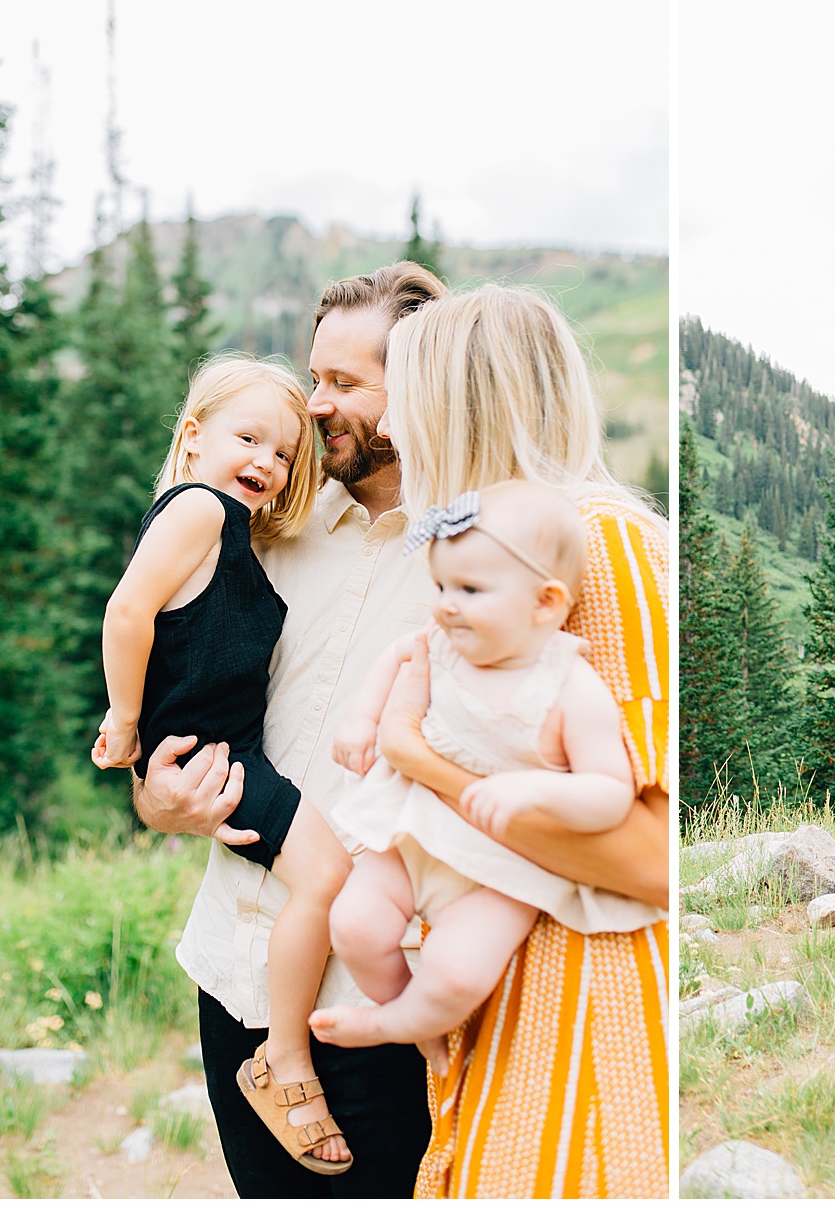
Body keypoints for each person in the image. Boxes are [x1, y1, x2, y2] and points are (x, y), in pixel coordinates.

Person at [323, 284, 669, 1198]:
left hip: (588, 996)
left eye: (405, 395)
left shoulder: (598, 543)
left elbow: (651, 849)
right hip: (518, 973)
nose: (393, 422)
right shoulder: (504, 552)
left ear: (455, 404)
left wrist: (415, 756)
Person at [130, 264, 447, 1198]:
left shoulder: (477, 554)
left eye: (344, 385)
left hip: (382, 1000)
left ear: (424, 387)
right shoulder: (265, 523)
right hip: (233, 966)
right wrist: (157, 794)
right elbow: (179, 671)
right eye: (316, 378)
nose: (314, 408)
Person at [93, 357, 355, 1172]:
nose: (268, 464)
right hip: (219, 755)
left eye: (283, 454)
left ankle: (282, 1050)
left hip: (223, 747)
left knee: (319, 878)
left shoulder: (231, 527)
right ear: (194, 436)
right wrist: (127, 718)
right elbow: (130, 608)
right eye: (249, 439)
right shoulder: (200, 508)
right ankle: (284, 1058)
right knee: (324, 876)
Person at [317, 480, 662, 1072]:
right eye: (443, 585)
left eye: (470, 590)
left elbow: (609, 793)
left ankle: (398, 1024)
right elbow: (398, 655)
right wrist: (361, 717)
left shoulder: (570, 688)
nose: (446, 604)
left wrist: (530, 789)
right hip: (415, 831)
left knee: (457, 972)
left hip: (501, 871)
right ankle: (405, 1010)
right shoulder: (442, 645)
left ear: (546, 604)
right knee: (352, 924)